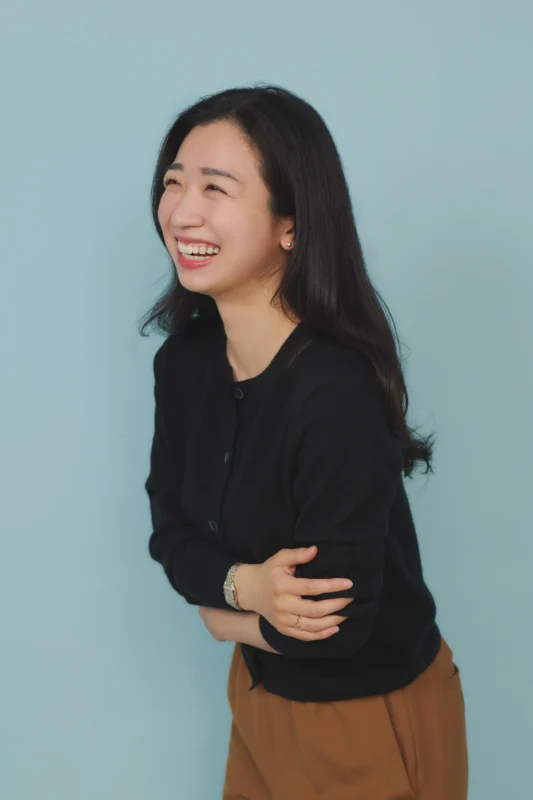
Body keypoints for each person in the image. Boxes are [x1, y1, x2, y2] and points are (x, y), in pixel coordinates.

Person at [141, 84, 468, 799]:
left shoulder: (334, 390)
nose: (182, 211)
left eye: (215, 188)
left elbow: (339, 627)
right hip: (259, 697)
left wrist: (223, 618)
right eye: (173, 182)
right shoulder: (185, 363)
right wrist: (250, 588)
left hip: (366, 714)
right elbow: (169, 536)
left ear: (290, 224)